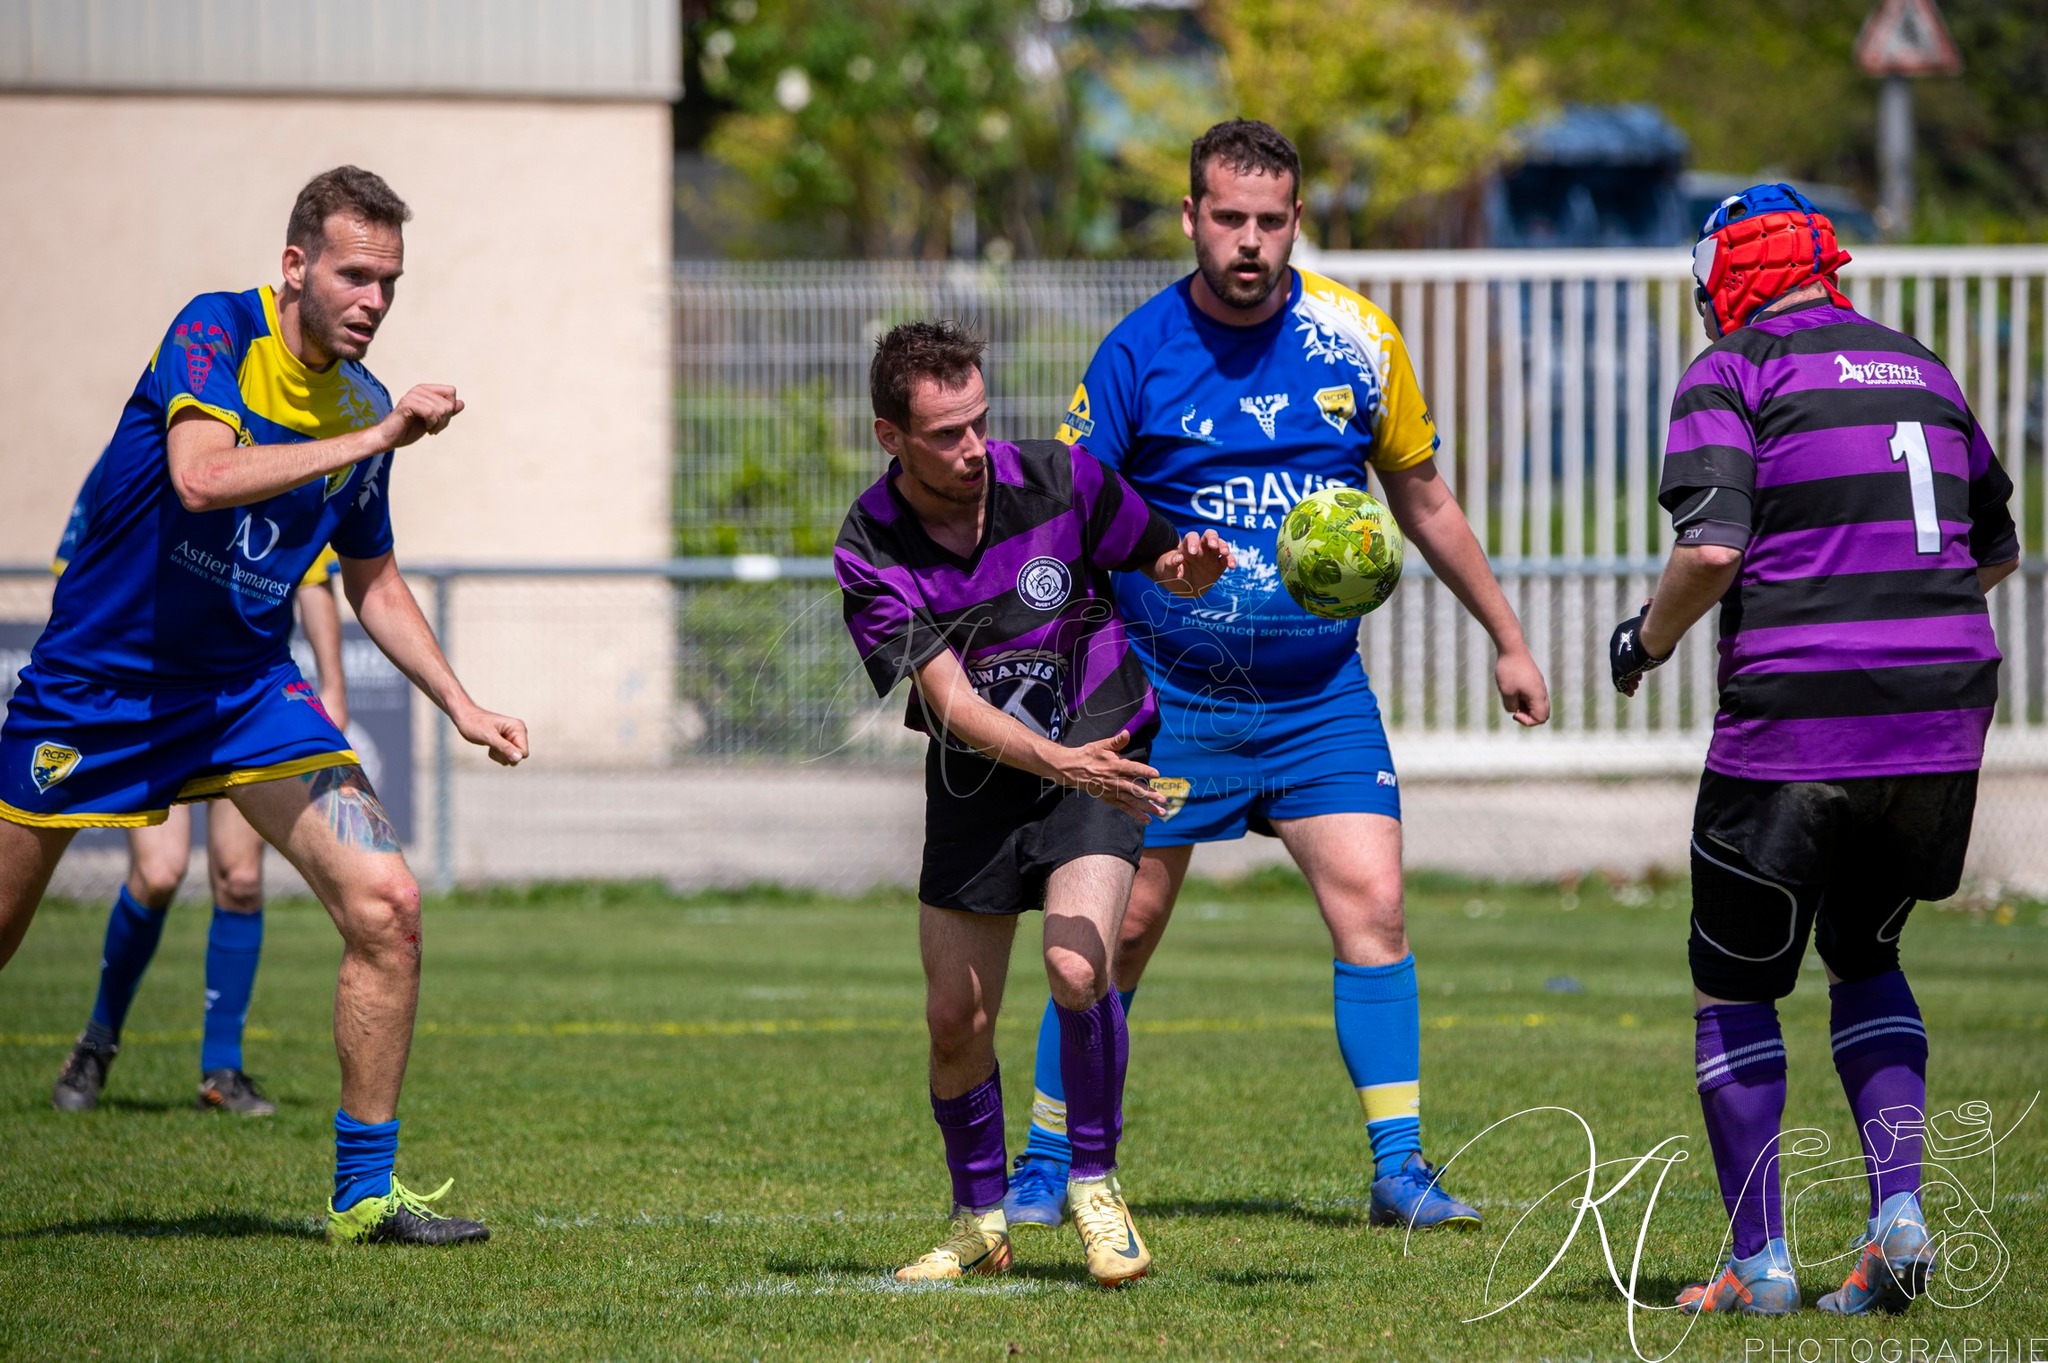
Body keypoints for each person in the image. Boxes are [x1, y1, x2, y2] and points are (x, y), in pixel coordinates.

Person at [1005, 119, 1550, 1233]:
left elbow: (1425, 499)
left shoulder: (1357, 338)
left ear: (1295, 220)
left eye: (1270, 221)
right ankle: (1043, 1160)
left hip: (1315, 701)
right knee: (1118, 931)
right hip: (1166, 695)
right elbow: (1073, 513)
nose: (1248, 242)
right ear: (1192, 218)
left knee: (1377, 908)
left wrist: (1506, 635)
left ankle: (1398, 1168)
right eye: (1227, 219)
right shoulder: (1135, 352)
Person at [0, 166, 528, 1247]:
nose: (374, 300)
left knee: (388, 903)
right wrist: (374, 442)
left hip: (244, 691)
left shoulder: (366, 408)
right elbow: (201, 476)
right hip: (97, 684)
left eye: (389, 280)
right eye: (353, 274)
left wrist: (460, 702)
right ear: (295, 267)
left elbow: (372, 577)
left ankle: (362, 1195)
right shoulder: (214, 332)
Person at [1609, 183, 2019, 1316]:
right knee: (1866, 952)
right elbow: (1992, 545)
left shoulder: (1733, 369)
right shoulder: (1917, 364)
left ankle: (1759, 1262)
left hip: (1796, 721)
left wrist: (1637, 646)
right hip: (1938, 717)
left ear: (1718, 277)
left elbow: (1708, 551)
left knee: (1732, 984)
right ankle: (1897, 1215)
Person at [836, 320, 1232, 1286]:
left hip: (1103, 748)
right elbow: (956, 706)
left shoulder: (1061, 478)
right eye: (944, 434)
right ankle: (980, 1221)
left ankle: (1094, 1185)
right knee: (953, 1018)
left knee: (1074, 963)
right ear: (892, 436)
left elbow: (1156, 558)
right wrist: (1063, 763)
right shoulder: (869, 544)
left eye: (978, 421)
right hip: (985, 776)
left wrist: (1191, 569)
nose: (974, 448)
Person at [48, 482, 350, 1114]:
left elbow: (316, 577)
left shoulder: (283, 449)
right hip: (155, 697)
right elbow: (81, 566)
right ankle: (96, 1044)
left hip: (249, 698)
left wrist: (333, 688)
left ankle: (223, 1071)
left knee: (239, 880)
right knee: (158, 874)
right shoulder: (147, 449)